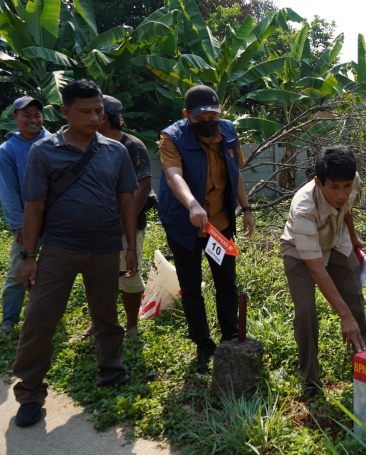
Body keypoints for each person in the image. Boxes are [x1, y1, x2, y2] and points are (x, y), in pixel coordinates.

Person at [12, 79, 139, 427]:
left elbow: (127, 201)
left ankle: (112, 373)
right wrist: (28, 256)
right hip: (59, 248)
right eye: (85, 111)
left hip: (104, 248)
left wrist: (131, 248)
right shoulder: (44, 151)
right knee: (40, 319)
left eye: (99, 110)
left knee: (107, 318)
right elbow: (34, 207)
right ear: (66, 112)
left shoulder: (116, 152)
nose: (95, 117)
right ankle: (31, 392)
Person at [158, 85, 254, 374]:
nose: (208, 122)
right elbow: (173, 175)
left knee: (226, 283)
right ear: (187, 115)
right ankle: (204, 346)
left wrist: (246, 209)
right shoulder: (171, 137)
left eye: (213, 115)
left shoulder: (228, 132)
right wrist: (192, 205)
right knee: (191, 288)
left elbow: (234, 174)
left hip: (220, 226)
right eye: (200, 118)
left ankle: (229, 337)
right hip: (185, 226)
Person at [280, 146, 366, 398]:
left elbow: (347, 207)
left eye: (346, 186)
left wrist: (352, 237)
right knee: (306, 309)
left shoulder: (352, 182)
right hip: (300, 253)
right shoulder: (304, 209)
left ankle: (364, 363)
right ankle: (309, 378)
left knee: (355, 299)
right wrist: (343, 317)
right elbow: (316, 268)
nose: (341, 194)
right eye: (334, 188)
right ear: (318, 182)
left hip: (336, 238)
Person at [81, 95, 152, 339]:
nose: (90, 118)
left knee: (128, 276)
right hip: (95, 225)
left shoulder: (132, 146)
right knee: (97, 278)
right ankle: (100, 322)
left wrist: (124, 224)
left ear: (106, 117)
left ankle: (131, 324)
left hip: (127, 226)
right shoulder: (88, 144)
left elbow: (142, 189)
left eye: (96, 113)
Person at [0, 97, 50, 338]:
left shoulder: (55, 141)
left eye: (37, 115)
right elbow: (8, 191)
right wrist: (18, 223)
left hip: (58, 221)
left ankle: (45, 317)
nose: (33, 119)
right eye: (26, 115)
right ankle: (9, 321)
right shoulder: (7, 151)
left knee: (53, 270)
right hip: (28, 222)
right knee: (18, 270)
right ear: (15, 118)